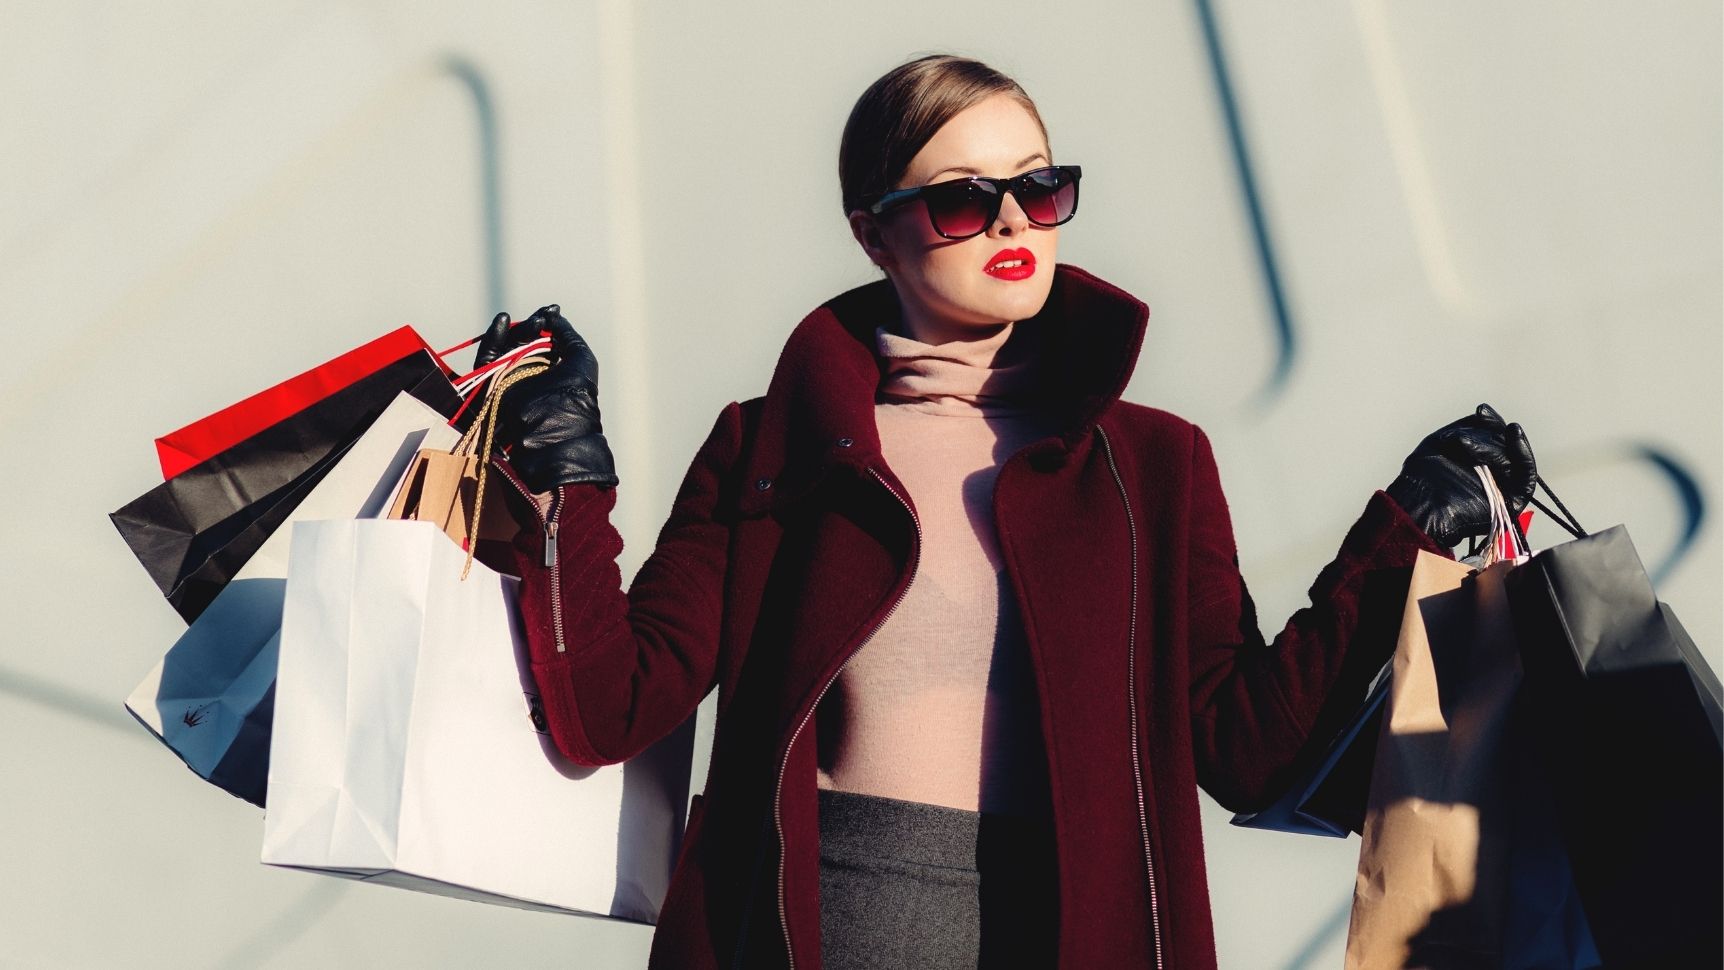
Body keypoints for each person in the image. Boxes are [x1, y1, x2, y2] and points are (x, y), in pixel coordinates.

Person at [475, 54, 1537, 970]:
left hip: (1073, 931)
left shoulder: (1152, 464)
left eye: (1038, 187)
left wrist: (1400, 533)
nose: (1009, 223)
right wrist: (566, 475)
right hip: (816, 930)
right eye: (959, 200)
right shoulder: (772, 447)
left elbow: (1245, 747)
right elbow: (608, 706)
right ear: (872, 234)